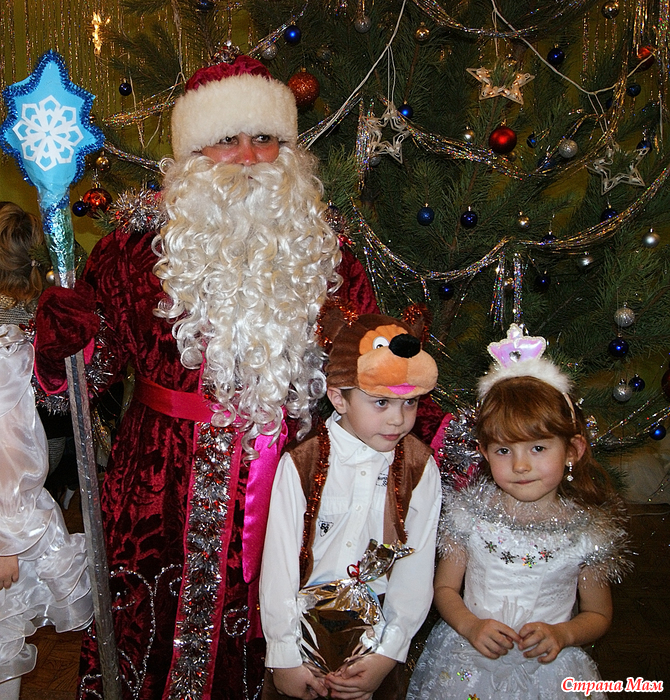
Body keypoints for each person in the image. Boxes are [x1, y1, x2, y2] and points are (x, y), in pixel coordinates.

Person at [34, 54, 381, 700]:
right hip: (157, 490)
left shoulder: (324, 249)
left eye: (265, 138)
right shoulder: (133, 248)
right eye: (227, 140)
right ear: (192, 153)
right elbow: (80, 385)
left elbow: (374, 372)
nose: (249, 157)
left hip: (290, 487)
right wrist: (61, 344)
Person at [406, 324, 630, 700]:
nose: (520, 465)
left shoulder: (586, 531)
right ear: (484, 451)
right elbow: (445, 588)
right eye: (503, 450)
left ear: (572, 450)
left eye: (538, 448)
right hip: (465, 664)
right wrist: (471, 625)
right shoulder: (469, 515)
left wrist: (564, 633)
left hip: (549, 674)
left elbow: (598, 614)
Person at [260, 303, 442, 700]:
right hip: (301, 639)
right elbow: (278, 565)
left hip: (376, 646)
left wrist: (388, 654)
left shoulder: (419, 467)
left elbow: (415, 567)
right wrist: (284, 656)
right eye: (381, 402)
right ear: (339, 398)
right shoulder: (303, 462)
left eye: (409, 402)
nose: (398, 419)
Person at [0, 324, 93, 700]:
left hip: (6, 522)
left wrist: (7, 541)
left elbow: (12, 451)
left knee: (4, 636)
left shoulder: (5, 354)